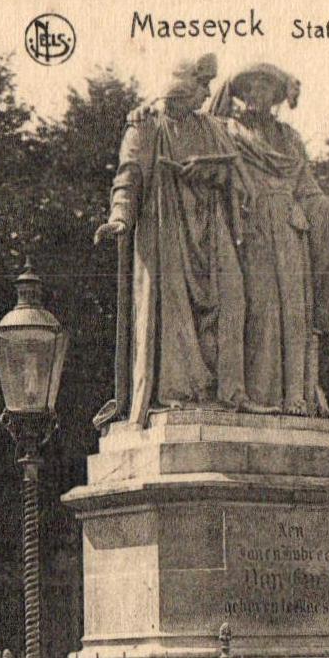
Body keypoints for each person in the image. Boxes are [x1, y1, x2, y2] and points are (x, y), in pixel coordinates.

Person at [93, 53, 251, 425]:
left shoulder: (211, 128)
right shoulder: (146, 125)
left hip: (211, 228)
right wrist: (119, 218)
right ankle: (180, 392)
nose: (206, 93)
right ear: (181, 85)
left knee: (232, 300)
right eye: (202, 85)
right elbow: (128, 174)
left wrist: (212, 171)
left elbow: (235, 176)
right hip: (166, 229)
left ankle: (225, 391)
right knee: (173, 310)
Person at [207, 62, 329, 418]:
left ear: (275, 96)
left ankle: (295, 396)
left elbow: (308, 191)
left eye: (266, 87)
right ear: (240, 92)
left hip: (292, 230)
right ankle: (260, 396)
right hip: (251, 229)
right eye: (251, 87)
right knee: (261, 309)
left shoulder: (289, 139)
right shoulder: (225, 130)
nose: (257, 94)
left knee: (296, 314)